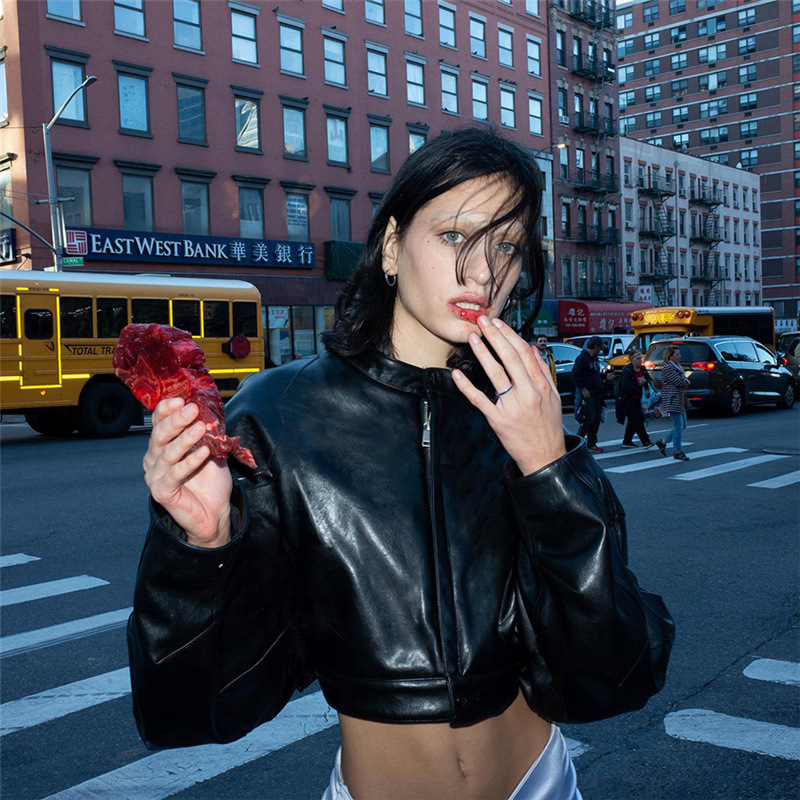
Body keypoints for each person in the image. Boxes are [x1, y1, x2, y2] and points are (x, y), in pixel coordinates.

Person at [128, 129, 674, 800]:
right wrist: (201, 548)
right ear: (390, 245)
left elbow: (615, 671)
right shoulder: (279, 414)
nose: (483, 272)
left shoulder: (525, 413)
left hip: (544, 783)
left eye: (506, 245)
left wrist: (550, 471)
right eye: (453, 235)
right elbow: (188, 708)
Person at [570, 336, 606, 453]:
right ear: (595, 347)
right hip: (588, 393)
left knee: (596, 419)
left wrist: (605, 377)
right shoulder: (582, 358)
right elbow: (574, 375)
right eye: (599, 347)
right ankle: (577, 443)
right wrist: (583, 389)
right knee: (590, 418)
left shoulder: (595, 359)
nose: (600, 350)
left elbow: (595, 374)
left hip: (597, 392)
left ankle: (592, 444)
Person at [656, 344, 691, 461]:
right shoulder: (668, 368)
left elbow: (681, 381)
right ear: (670, 356)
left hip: (679, 399)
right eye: (677, 354)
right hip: (672, 399)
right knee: (678, 425)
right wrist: (685, 381)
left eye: (679, 354)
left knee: (682, 425)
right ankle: (677, 451)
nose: (679, 356)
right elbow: (679, 382)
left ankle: (663, 442)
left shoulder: (677, 367)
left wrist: (684, 380)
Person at [616, 350, 655, 449]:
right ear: (631, 359)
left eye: (640, 358)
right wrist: (640, 388)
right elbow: (626, 386)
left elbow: (649, 380)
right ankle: (645, 441)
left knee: (633, 420)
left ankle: (627, 440)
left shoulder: (642, 369)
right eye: (637, 358)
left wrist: (645, 383)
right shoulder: (627, 370)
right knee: (638, 420)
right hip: (629, 400)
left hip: (640, 399)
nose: (640, 360)